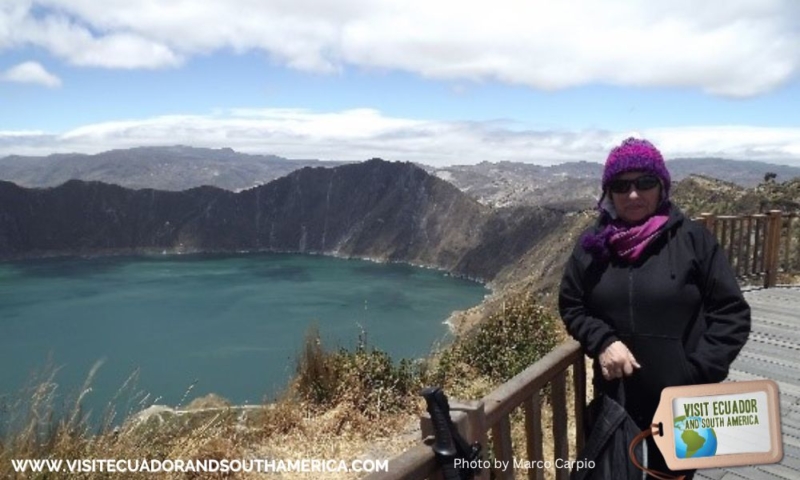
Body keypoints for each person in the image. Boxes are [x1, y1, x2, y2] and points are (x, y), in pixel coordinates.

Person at [559, 138, 751, 479]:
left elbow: (732, 314)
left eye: (645, 182)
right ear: (609, 193)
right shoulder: (592, 248)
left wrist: (695, 374)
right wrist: (602, 340)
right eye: (621, 185)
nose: (633, 195)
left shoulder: (694, 240)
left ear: (662, 186)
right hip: (617, 403)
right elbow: (572, 304)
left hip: (683, 406)